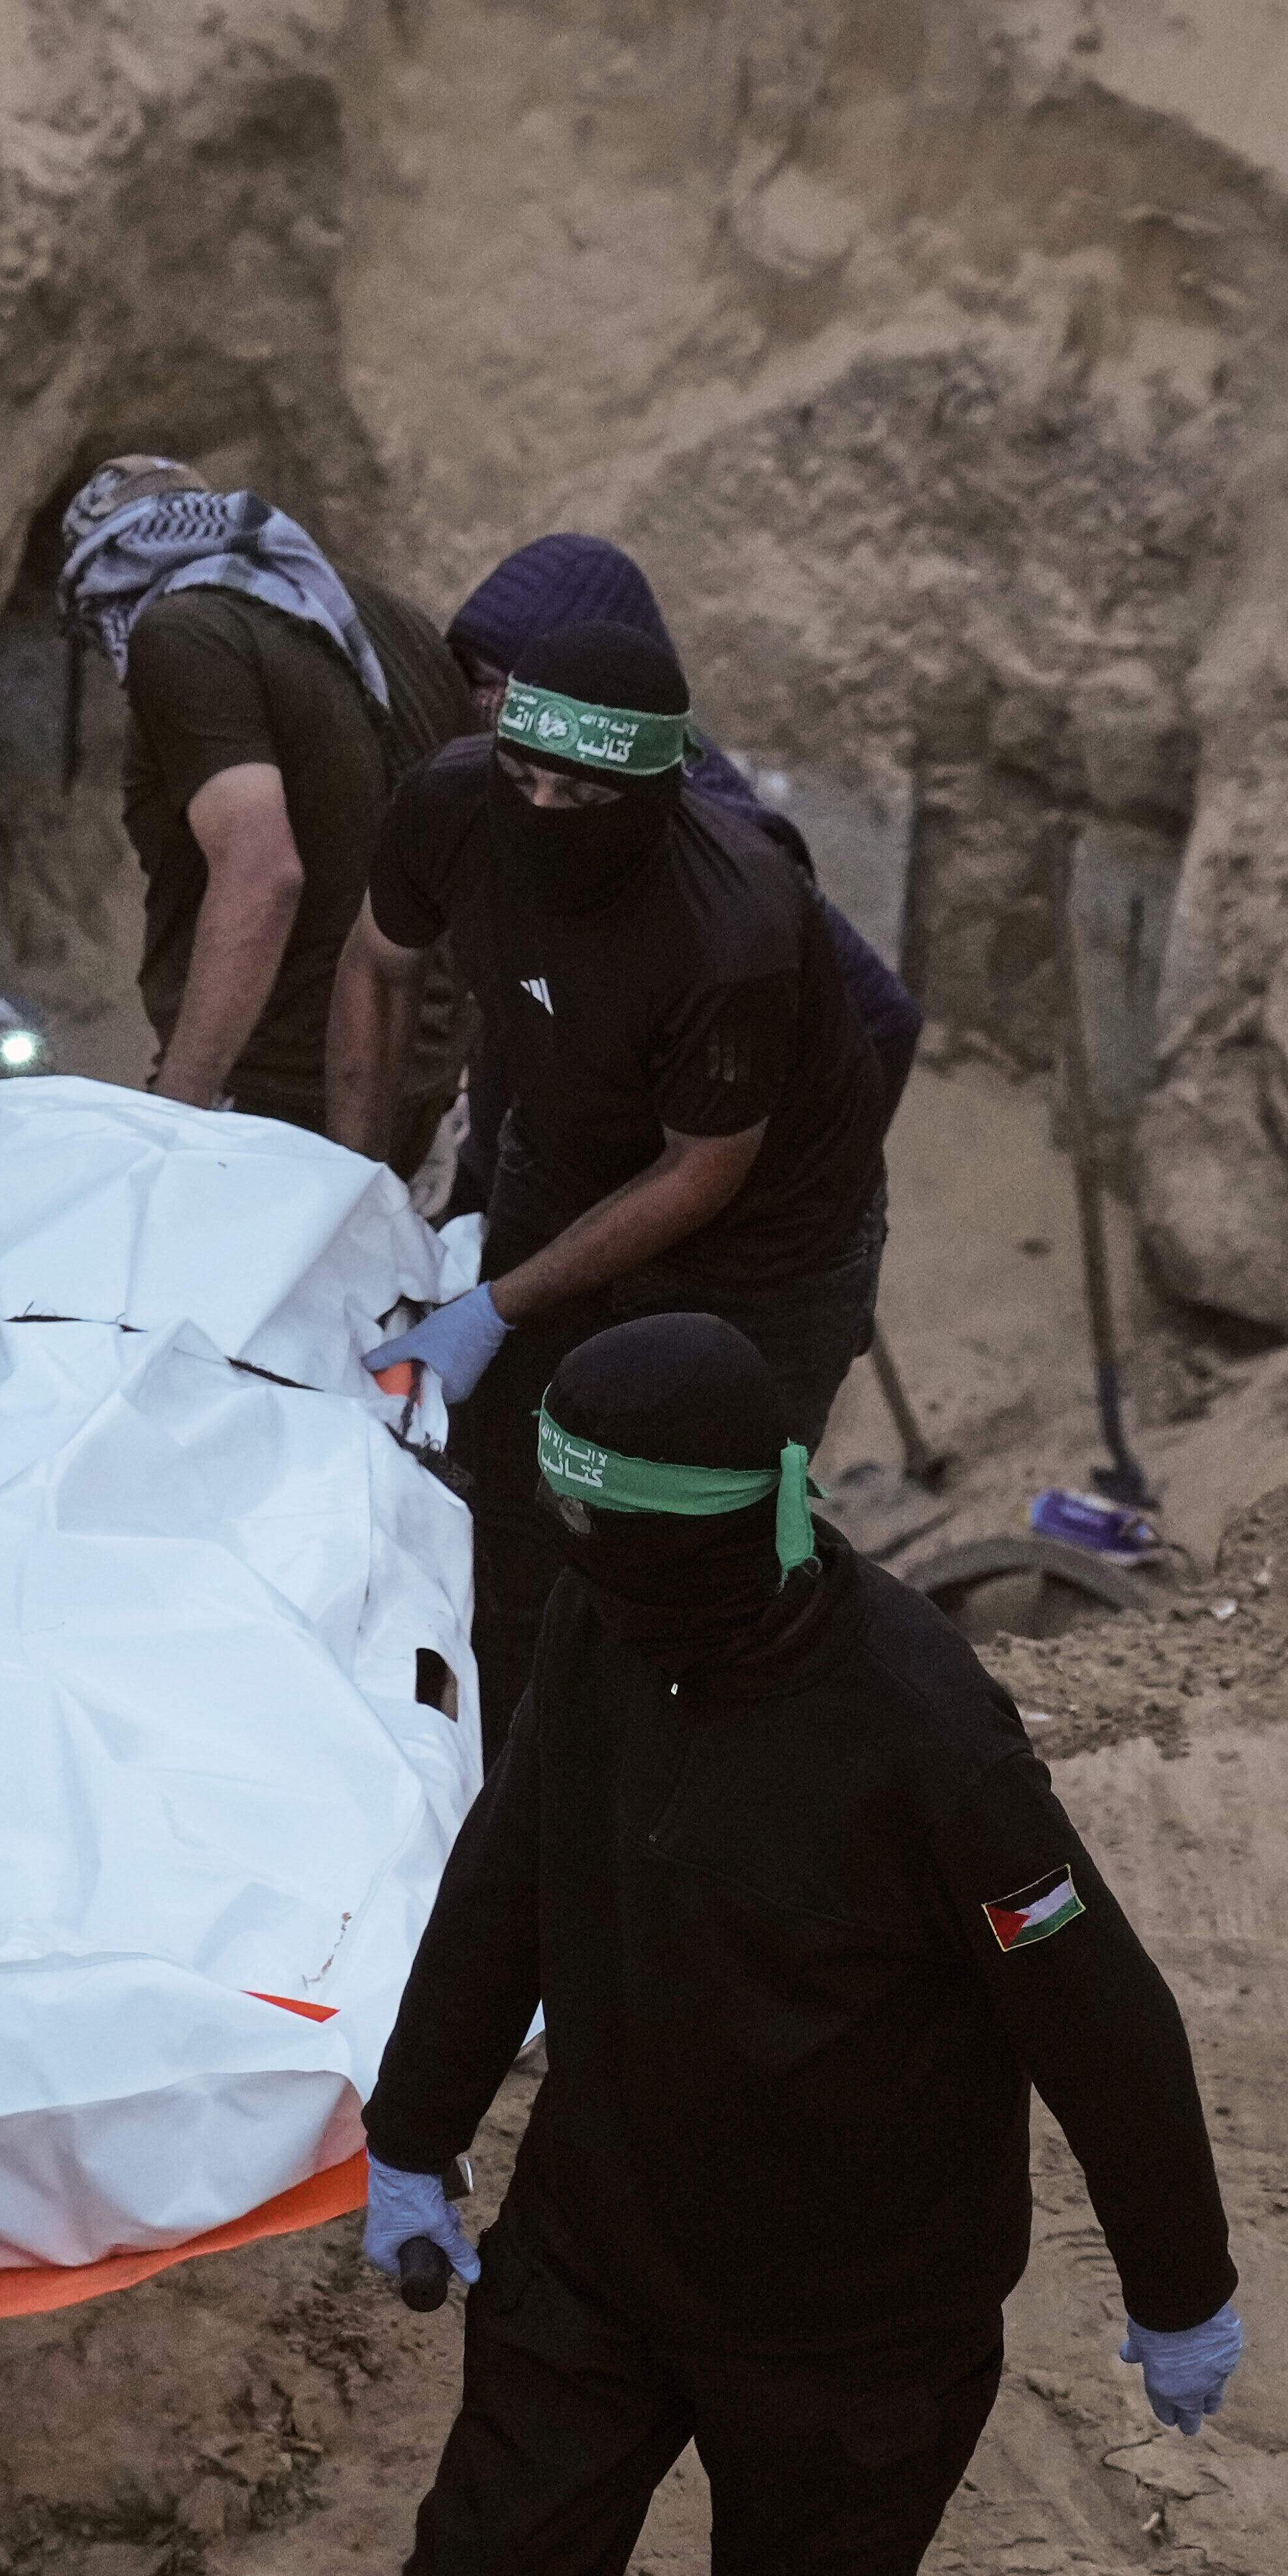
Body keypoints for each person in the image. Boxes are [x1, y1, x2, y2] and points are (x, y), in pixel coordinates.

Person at [353, 1314, 1247, 2576]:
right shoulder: (613, 1634)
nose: (607, 1608)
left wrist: (1179, 2282)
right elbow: (509, 1871)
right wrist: (412, 2131)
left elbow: (1100, 2014)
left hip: (861, 2316)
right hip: (605, 2242)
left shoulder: (926, 1732)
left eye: (635, 1576)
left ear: (732, 1533)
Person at [339, 619, 893, 1751]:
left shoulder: (730, 927)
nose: (539, 813)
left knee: (697, 1537)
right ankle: (508, 1777)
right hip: (571, 1150)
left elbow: (703, 1174)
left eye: (581, 798)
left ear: (650, 795)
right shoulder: (449, 805)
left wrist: (498, 1303)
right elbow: (375, 965)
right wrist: (349, 1187)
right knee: (516, 1508)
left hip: (765, 1249)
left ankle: (701, 1784)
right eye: (521, 775)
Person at [431, 534, 926, 1230]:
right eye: (461, 674)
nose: (471, 702)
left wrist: (803, 1215)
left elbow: (885, 1020)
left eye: (487, 679)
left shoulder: (719, 847)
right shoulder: (541, 799)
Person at [56, 452, 472, 1138]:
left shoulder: (181, 630)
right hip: (413, 1081)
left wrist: (181, 1106)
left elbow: (262, 874)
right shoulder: (382, 619)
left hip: (277, 1095)